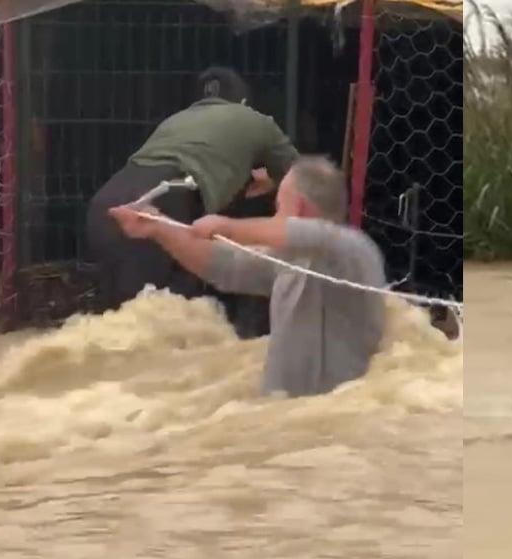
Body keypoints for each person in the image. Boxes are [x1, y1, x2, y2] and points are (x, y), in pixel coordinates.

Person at [106, 155, 388, 399]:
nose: (275, 214)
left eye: (280, 206)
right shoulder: (290, 259)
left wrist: (227, 227)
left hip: (337, 428)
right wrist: (157, 227)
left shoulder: (353, 251)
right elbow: (222, 265)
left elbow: (316, 234)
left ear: (299, 207)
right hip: (292, 422)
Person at [85, 65, 299, 336]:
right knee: (167, 329)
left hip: (107, 203)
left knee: (120, 327)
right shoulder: (255, 119)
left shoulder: (176, 121)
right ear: (243, 101)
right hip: (160, 202)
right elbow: (301, 179)